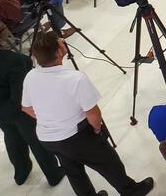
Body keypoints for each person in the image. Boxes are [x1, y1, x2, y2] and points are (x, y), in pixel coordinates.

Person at [21, 32, 154, 195]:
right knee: (109, 163)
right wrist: (97, 129)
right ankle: (131, 191)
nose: (64, 42)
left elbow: (26, 108)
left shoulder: (30, 76)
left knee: (74, 172)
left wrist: (51, 119)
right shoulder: (75, 78)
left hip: (47, 138)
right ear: (57, 53)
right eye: (60, 42)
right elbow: (92, 113)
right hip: (77, 137)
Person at [0, 19, 65, 187]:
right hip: (18, 113)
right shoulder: (18, 60)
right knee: (36, 141)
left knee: (12, 138)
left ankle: (21, 172)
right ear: (2, 36)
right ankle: (53, 174)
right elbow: (19, 98)